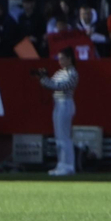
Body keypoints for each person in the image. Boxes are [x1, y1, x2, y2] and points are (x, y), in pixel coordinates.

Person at [34, 47, 79, 177]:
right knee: (59, 137)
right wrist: (43, 78)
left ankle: (69, 165)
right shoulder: (60, 73)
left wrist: (44, 80)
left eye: (62, 58)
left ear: (69, 59)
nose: (60, 61)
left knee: (65, 137)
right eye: (59, 59)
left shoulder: (72, 73)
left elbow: (59, 87)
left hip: (66, 102)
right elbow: (52, 84)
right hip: (58, 103)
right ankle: (61, 164)